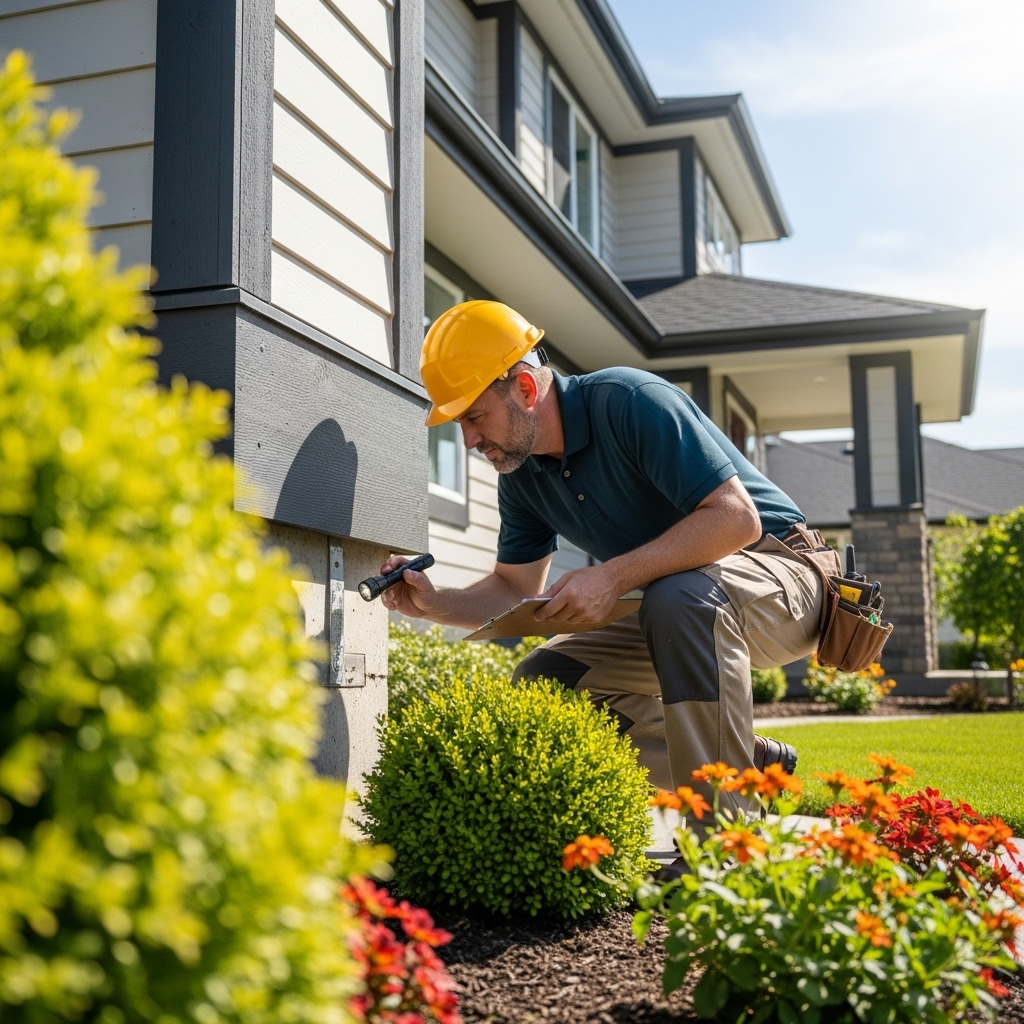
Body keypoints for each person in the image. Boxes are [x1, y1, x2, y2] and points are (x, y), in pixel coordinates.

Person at [381, 300, 823, 836]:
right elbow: (514, 588)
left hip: (786, 575)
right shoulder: (521, 477)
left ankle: (727, 845)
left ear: (524, 388)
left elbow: (736, 521)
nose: (469, 440)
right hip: (681, 603)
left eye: (474, 417)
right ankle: (750, 766)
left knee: (680, 597)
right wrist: (433, 601)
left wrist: (611, 576)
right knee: (546, 681)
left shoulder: (630, 402)